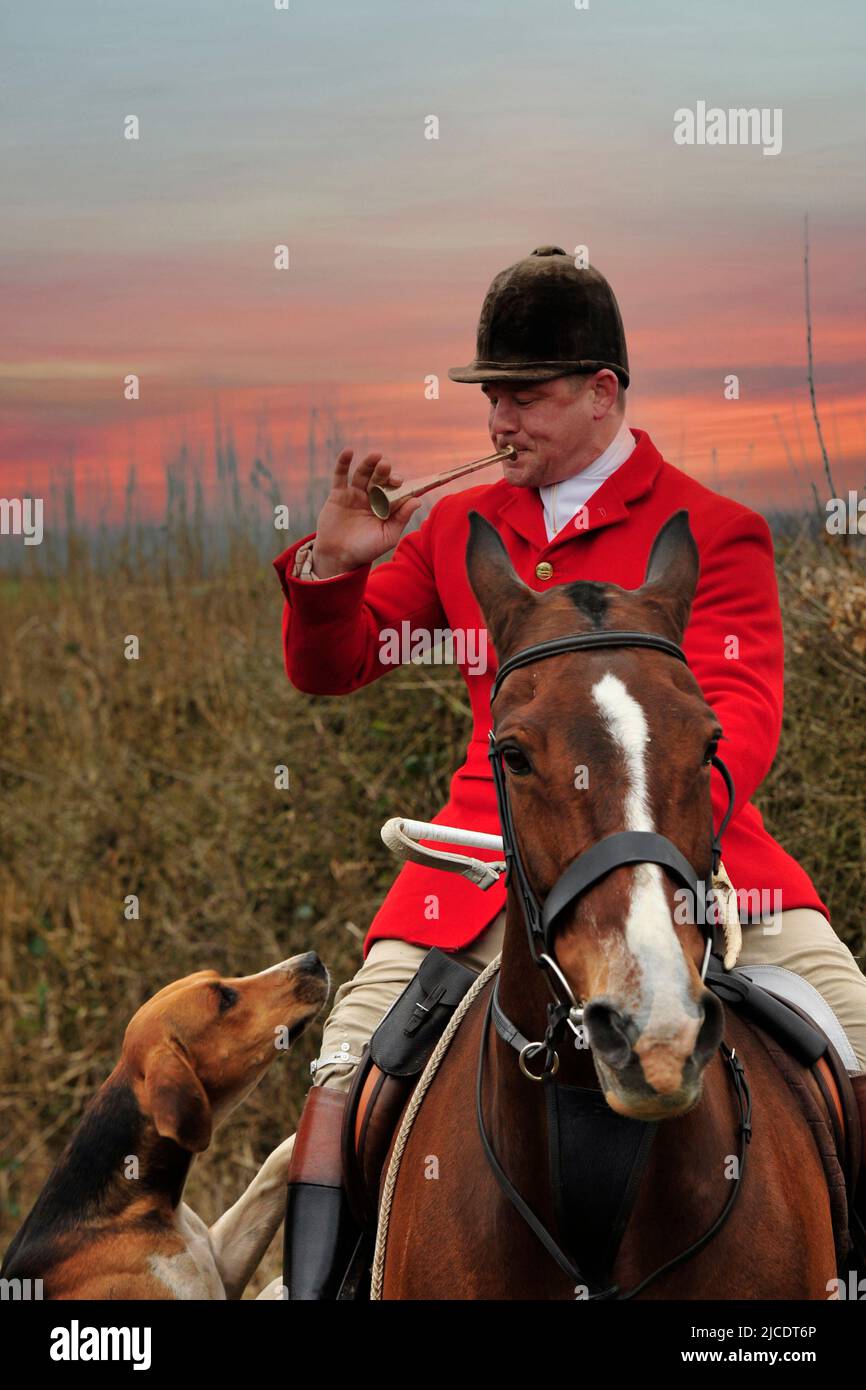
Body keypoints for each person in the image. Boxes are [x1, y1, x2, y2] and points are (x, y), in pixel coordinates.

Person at [272, 246, 866, 1298]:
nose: (498, 423)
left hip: (695, 855)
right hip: (474, 866)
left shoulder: (712, 529)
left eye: (524, 397)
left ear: (601, 393)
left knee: (852, 1039)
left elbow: (739, 720)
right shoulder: (455, 528)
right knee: (344, 1075)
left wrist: (642, 862)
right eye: (489, 398)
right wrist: (335, 566)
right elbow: (334, 667)